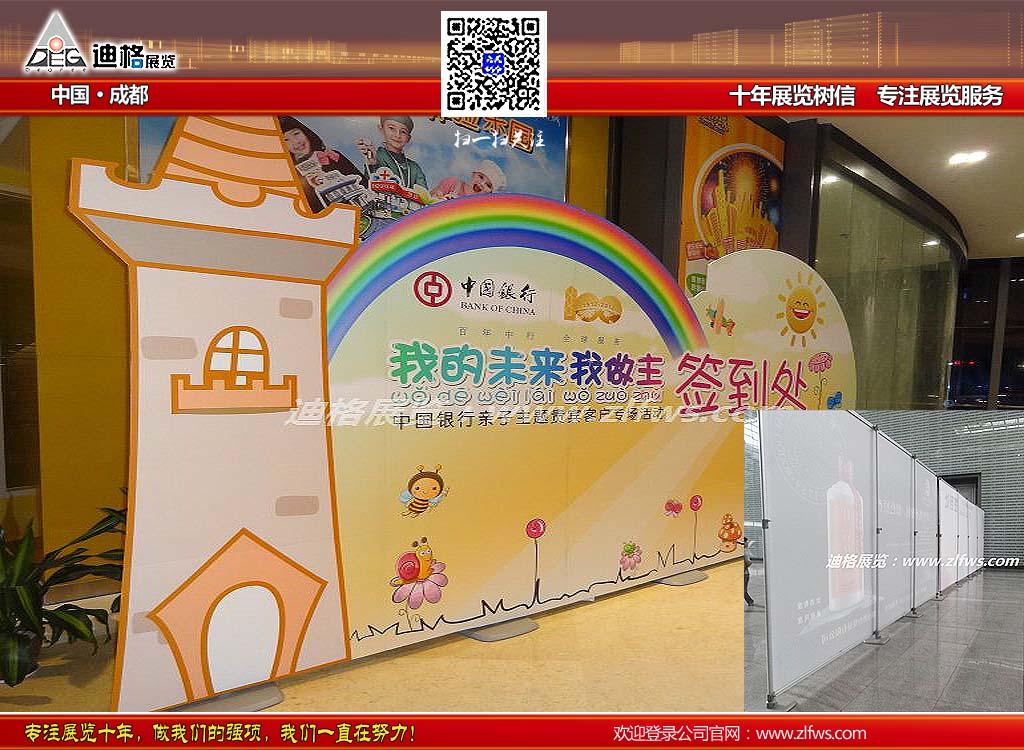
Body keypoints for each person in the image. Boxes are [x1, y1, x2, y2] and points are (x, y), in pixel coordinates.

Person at [279, 116, 366, 212]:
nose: (296, 142)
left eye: (296, 133)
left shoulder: (332, 156)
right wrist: (314, 188)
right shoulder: (290, 174)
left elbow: (363, 183)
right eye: (286, 140)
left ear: (305, 132)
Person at [355, 116, 428, 192]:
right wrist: (372, 164)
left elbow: (424, 193)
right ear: (381, 129)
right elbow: (368, 186)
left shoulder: (414, 168)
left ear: (408, 138)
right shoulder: (376, 156)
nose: (397, 135)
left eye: (403, 132)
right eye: (391, 128)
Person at [431, 159, 507, 199]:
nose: (482, 184)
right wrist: (437, 197)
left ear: (490, 192)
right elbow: (428, 199)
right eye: (481, 177)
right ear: (473, 174)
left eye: (488, 185)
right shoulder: (452, 183)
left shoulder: (479, 209)